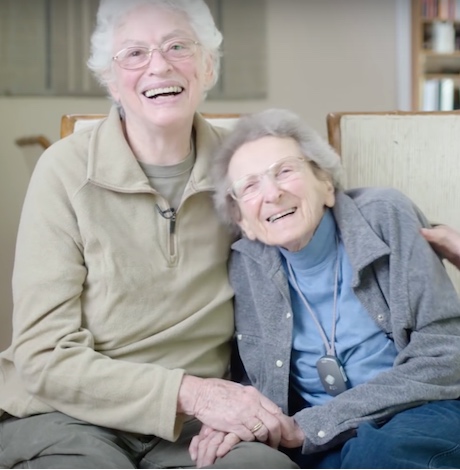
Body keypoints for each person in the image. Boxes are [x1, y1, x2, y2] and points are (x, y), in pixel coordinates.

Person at [0, 3, 298, 469]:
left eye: (178, 46)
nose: (159, 65)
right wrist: (193, 394)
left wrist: (404, 232)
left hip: (198, 426)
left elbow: (316, 238)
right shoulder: (63, 170)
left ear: (208, 66)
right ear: (110, 79)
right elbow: (42, 354)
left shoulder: (242, 166)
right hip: (69, 414)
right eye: (134, 53)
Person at [190, 108, 460, 468]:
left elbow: (444, 353)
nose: (272, 193)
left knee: (376, 455)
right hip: (317, 437)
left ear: (326, 185)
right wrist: (235, 420)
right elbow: (252, 378)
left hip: (417, 412)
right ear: (243, 220)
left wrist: (311, 426)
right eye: (250, 186)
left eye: (285, 171)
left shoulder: (385, 215)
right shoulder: (245, 263)